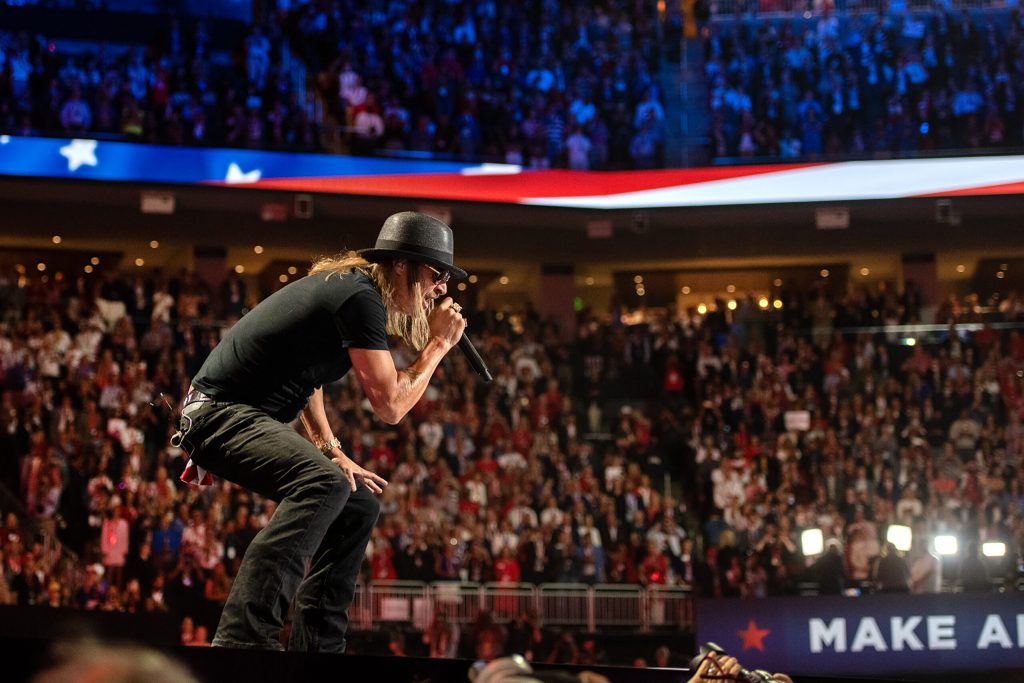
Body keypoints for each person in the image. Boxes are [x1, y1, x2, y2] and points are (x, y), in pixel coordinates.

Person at [173, 211, 468, 652]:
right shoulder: (360, 298)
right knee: (323, 486)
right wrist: (438, 346)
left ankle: (318, 649)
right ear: (402, 265)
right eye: (436, 273)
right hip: (216, 412)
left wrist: (330, 448)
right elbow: (390, 406)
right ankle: (242, 642)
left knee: (357, 503)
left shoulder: (355, 292)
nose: (442, 287)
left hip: (236, 413)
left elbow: (307, 377)